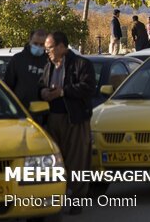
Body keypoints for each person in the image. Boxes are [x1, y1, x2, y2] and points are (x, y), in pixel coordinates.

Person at [39, 32, 96, 214]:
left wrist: (63, 92)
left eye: (50, 47)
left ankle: (77, 200)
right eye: (45, 48)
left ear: (62, 46)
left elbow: (87, 88)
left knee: (76, 160)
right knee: (55, 161)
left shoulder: (81, 64)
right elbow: (40, 84)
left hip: (74, 119)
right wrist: (43, 93)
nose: (47, 51)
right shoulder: (48, 65)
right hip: (52, 118)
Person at [3, 29, 48, 111]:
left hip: (42, 111)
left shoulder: (48, 61)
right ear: (30, 41)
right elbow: (8, 84)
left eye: (42, 44)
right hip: (20, 108)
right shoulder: (18, 59)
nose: (38, 47)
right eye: (35, 43)